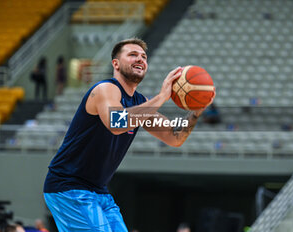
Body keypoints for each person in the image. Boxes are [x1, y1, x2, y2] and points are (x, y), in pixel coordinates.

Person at [43, 38, 215, 232]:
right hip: (68, 186)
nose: (140, 59)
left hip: (99, 190)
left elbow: (174, 137)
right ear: (116, 64)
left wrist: (196, 112)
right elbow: (116, 123)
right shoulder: (105, 89)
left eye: (143, 56)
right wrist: (161, 98)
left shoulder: (140, 102)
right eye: (132, 55)